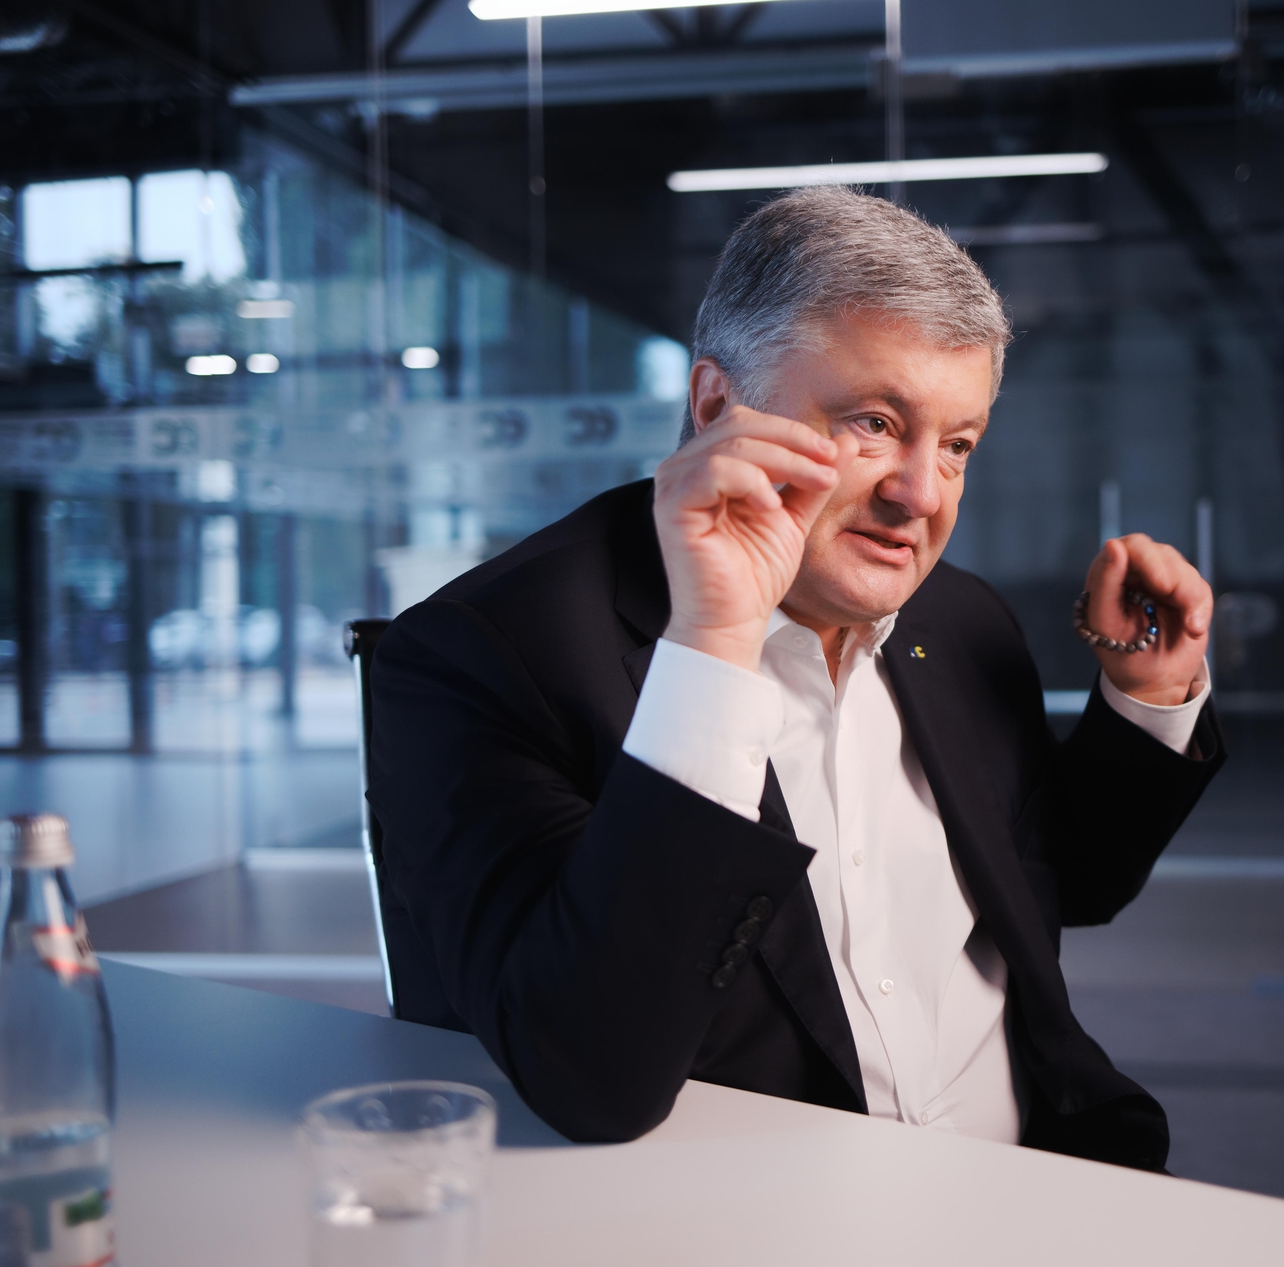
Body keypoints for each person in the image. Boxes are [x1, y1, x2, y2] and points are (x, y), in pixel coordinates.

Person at [367, 187, 1223, 1172]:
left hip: (1029, 1176)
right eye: (873, 422)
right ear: (715, 407)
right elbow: (589, 1075)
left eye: (957, 445)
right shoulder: (481, 656)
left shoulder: (960, 619)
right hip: (746, 1209)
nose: (920, 495)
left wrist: (1146, 697)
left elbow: (1053, 886)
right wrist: (713, 646)